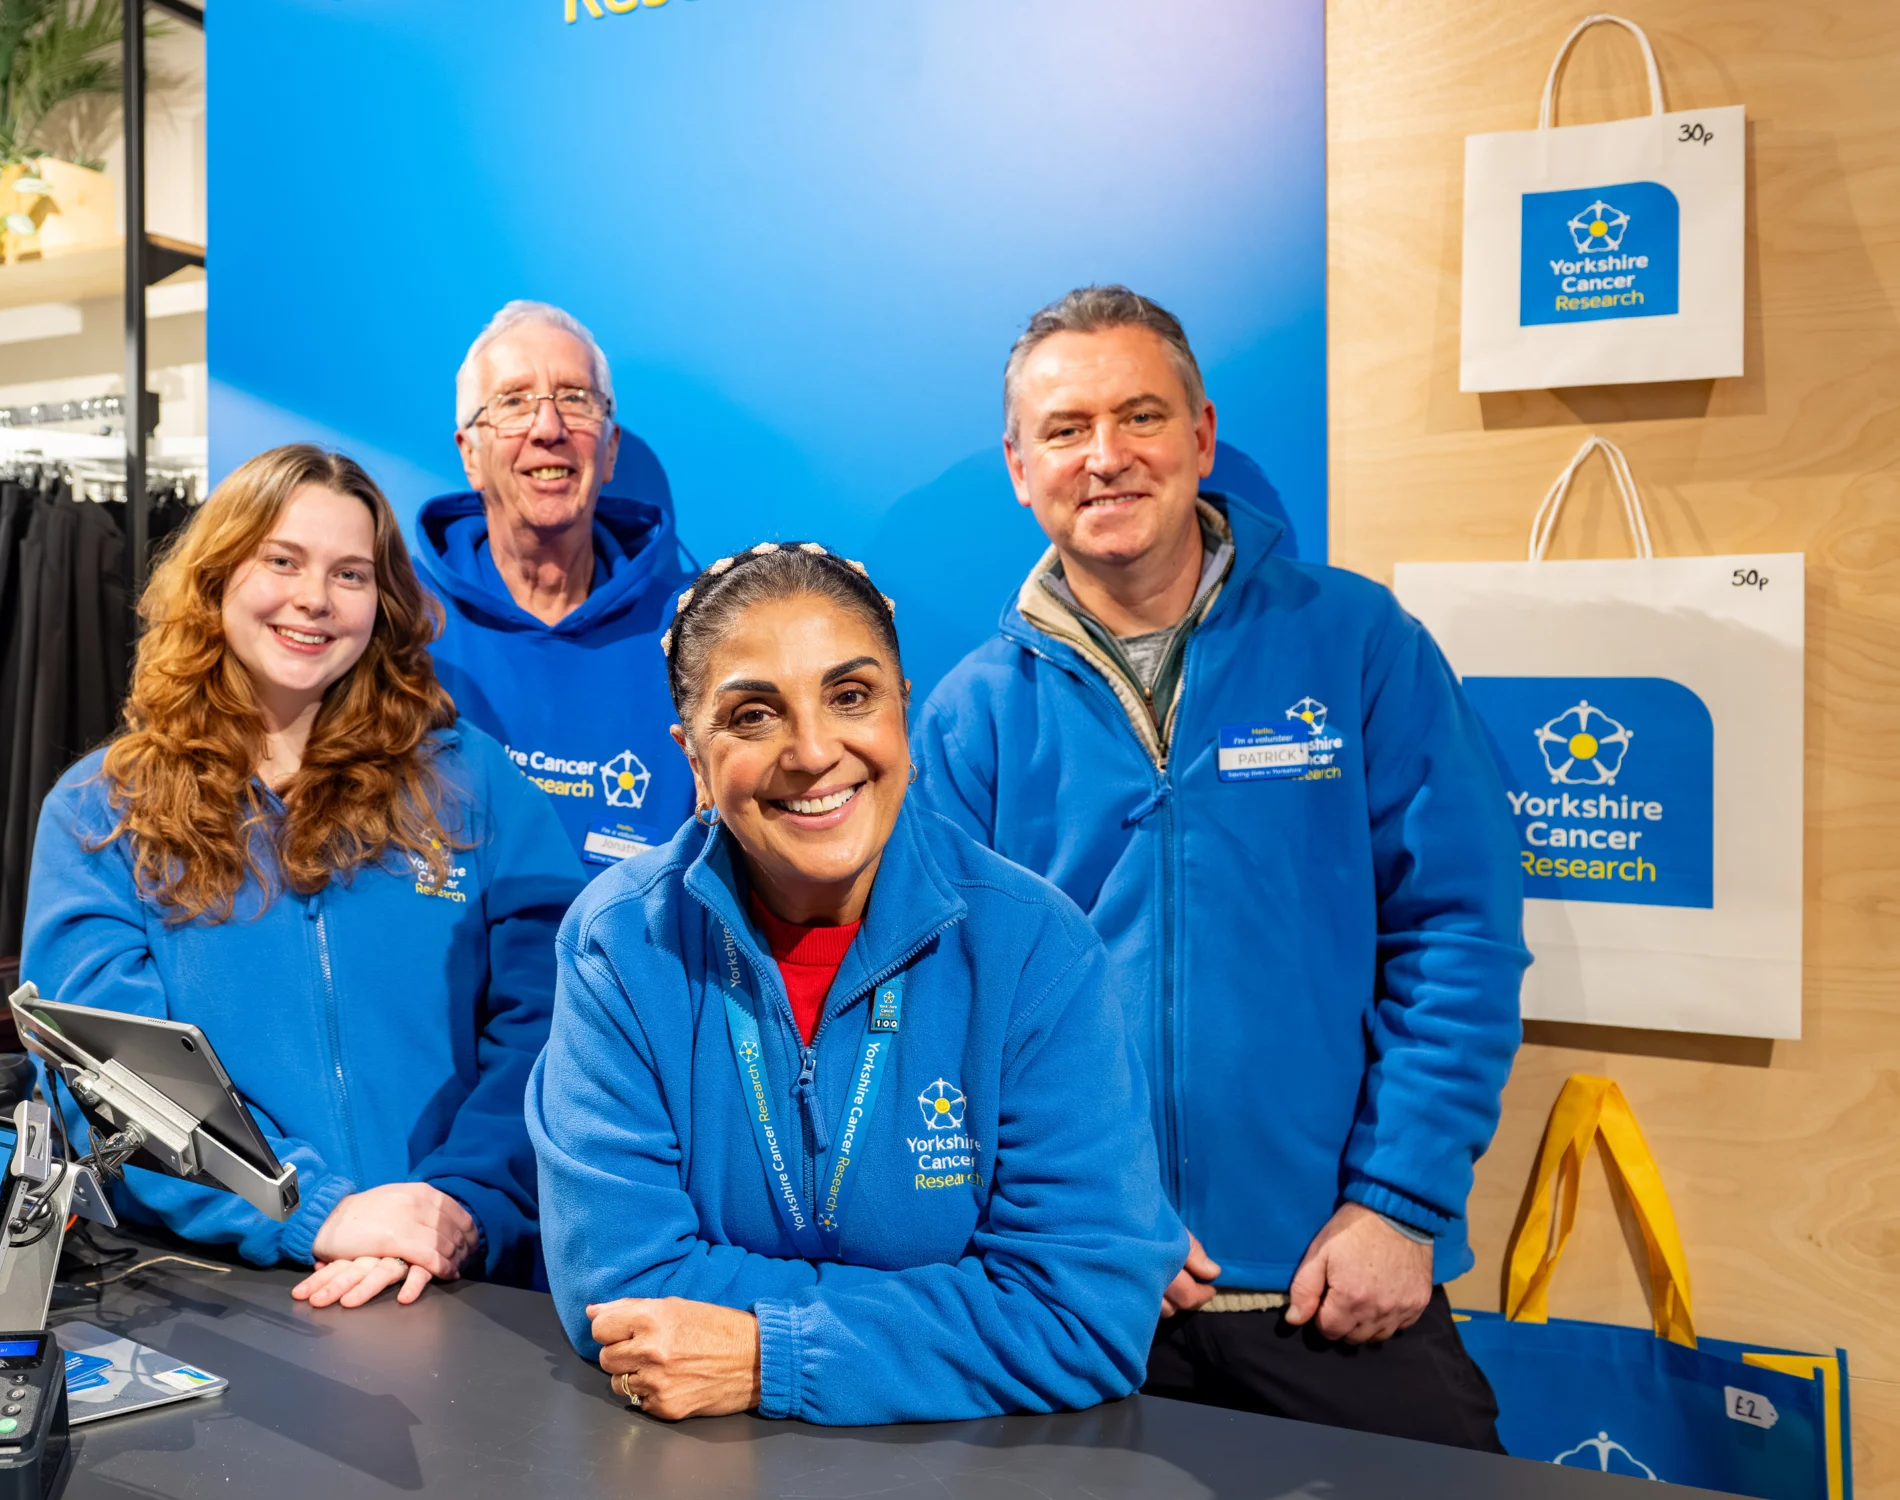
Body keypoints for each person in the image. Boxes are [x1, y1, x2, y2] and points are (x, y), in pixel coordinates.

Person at [913, 285, 1527, 1449]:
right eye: (1064, 429)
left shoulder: (1356, 645)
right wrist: (1076, 1220)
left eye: (1139, 417)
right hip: (1082, 1300)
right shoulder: (968, 720)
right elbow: (948, 1012)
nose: (1104, 458)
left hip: (1332, 1289)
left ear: (1199, 436)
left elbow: (1456, 935)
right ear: (1017, 465)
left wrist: (1399, 1203)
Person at [529, 541, 1184, 1424]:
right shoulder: (619, 944)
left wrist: (776, 1353)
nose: (811, 751)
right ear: (692, 757)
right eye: (754, 716)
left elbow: (1082, 1314)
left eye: (850, 696)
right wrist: (956, 1312)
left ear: (902, 711)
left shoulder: (1033, 948)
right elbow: (623, 1284)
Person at [23, 444, 586, 1306]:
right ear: (215, 580)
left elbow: (556, 1027)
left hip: (469, 1282)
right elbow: (107, 1077)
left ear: (383, 601)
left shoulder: (474, 783)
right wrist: (314, 1210)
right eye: (280, 561)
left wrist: (456, 1204)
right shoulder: (100, 814)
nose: (314, 599)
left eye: (350, 574)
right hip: (222, 1299)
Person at [416, 301, 697, 875]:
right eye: (514, 402)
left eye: (574, 398)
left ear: (610, 447)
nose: (548, 429)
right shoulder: (399, 623)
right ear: (470, 454)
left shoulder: (693, 631)